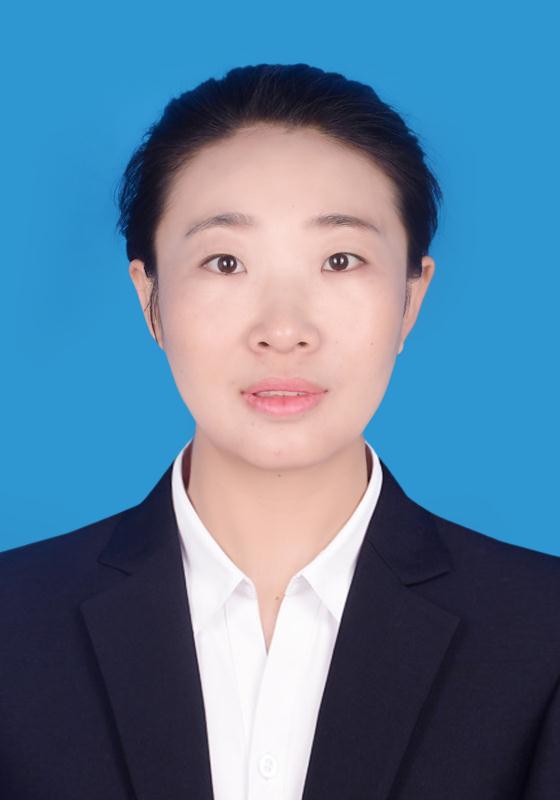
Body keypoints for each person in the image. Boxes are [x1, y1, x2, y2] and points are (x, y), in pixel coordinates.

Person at [1, 63, 559, 800]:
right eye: (225, 262)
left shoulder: (544, 633)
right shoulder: (13, 624)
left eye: (340, 260)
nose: (284, 329)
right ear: (150, 299)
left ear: (411, 298)